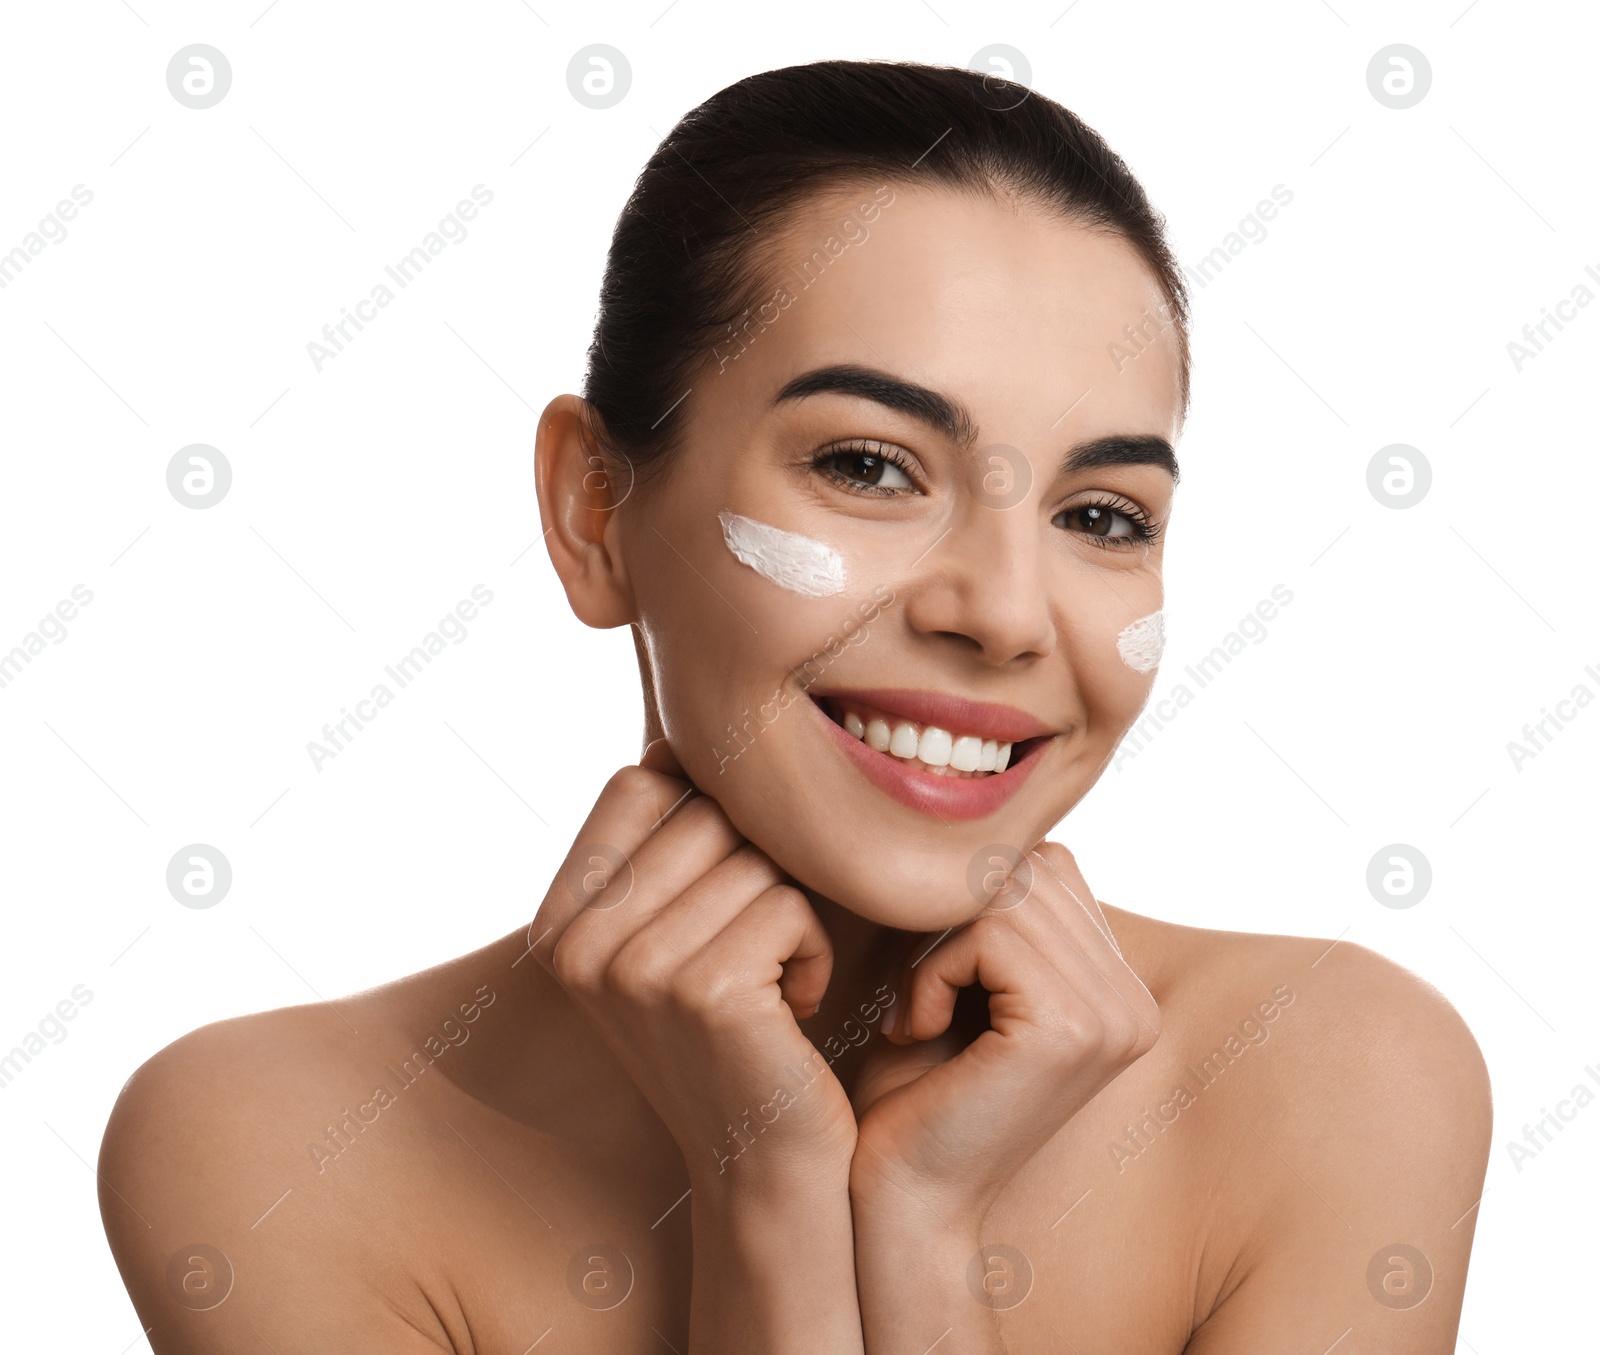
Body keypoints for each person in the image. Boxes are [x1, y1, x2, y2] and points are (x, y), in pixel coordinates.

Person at [99, 59, 1492, 1353]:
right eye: (873, 467)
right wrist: (766, 1187)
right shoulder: (268, 1147)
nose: (1004, 613)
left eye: (1101, 511)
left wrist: (919, 1232)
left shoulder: (1337, 1080)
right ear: (596, 509)